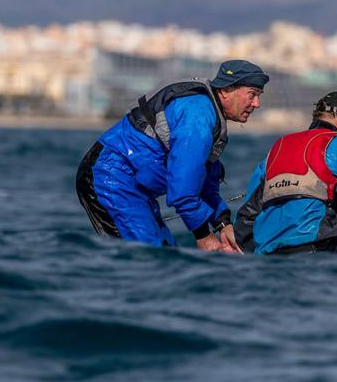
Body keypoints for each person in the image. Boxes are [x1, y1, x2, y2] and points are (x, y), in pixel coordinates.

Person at [76, 60, 269, 252]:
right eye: (252, 95)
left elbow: (202, 180)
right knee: (146, 259)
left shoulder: (208, 111)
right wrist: (204, 236)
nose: (257, 104)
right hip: (109, 178)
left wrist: (223, 224)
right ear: (226, 90)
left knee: (163, 254)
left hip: (133, 187)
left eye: (259, 96)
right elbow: (183, 189)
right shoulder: (198, 116)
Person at [235, 91, 337, 254]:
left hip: (269, 253)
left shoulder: (278, 147)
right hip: (320, 247)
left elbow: (248, 213)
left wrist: (251, 250)